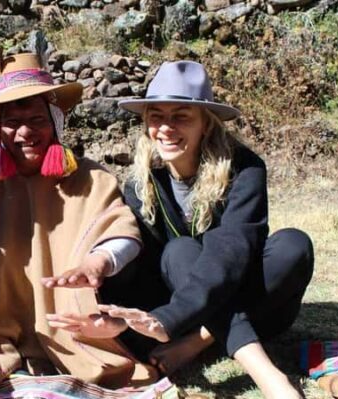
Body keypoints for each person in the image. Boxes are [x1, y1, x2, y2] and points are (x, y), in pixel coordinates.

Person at [0, 52, 159, 394]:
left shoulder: (91, 178)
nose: (24, 132)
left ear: (56, 122)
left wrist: (99, 262)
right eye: (12, 121)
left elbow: (121, 231)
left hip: (70, 327)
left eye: (37, 119)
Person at [78, 60, 313, 398]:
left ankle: (201, 342)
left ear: (206, 123)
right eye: (156, 116)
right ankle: (269, 376)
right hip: (179, 304)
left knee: (294, 245)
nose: (166, 128)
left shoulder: (245, 169)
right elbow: (144, 256)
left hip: (234, 301)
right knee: (181, 251)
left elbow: (232, 248)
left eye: (181, 116)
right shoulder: (143, 182)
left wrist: (176, 324)